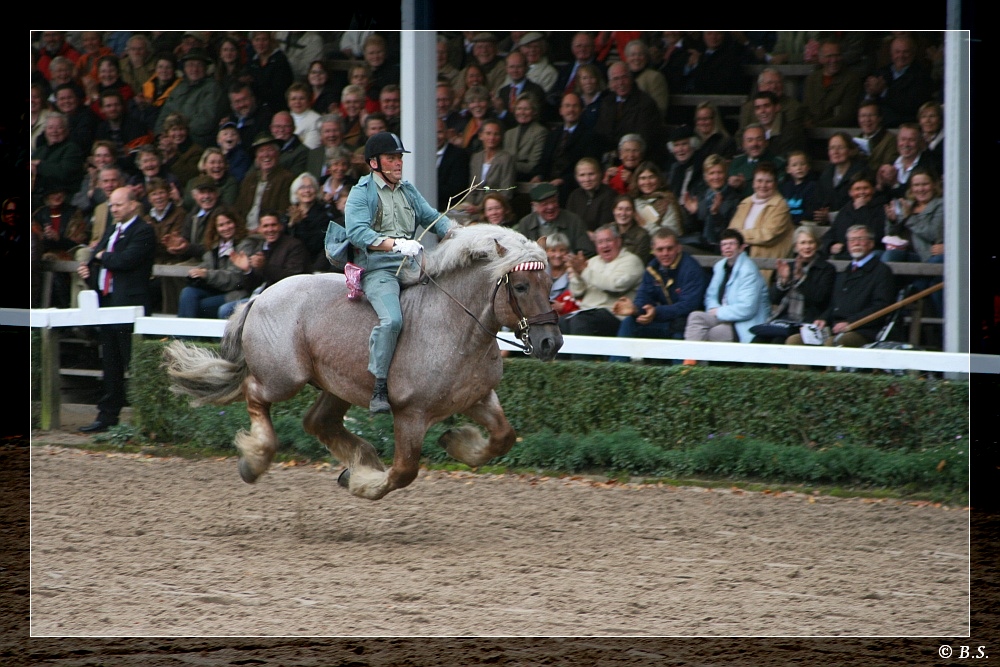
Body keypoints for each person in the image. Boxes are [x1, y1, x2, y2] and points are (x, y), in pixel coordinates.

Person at [345, 132, 457, 414]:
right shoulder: (361, 193)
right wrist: (394, 244)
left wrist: (462, 237)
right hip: (379, 269)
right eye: (391, 159)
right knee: (392, 320)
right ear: (374, 163)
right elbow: (357, 232)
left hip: (413, 265)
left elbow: (433, 219)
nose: (398, 164)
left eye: (399, 158)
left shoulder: (407, 190)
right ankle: (379, 386)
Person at [76, 187, 156, 433]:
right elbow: (96, 257)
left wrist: (101, 256)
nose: (114, 209)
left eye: (118, 205)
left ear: (133, 204)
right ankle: (106, 417)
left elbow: (126, 260)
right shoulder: (112, 230)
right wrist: (89, 269)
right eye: (111, 205)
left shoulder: (143, 230)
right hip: (107, 304)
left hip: (129, 306)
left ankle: (146, 419)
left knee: (132, 363)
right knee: (110, 363)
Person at [786, 225, 896, 349]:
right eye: (852, 240)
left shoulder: (881, 271)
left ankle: (827, 369)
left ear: (871, 243)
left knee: (833, 343)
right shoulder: (846, 272)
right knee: (794, 340)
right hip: (834, 328)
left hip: (863, 331)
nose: (856, 243)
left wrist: (850, 322)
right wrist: (823, 319)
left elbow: (881, 307)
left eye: (860, 239)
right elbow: (834, 304)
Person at [610, 227, 707, 359]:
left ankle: (680, 377)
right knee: (629, 322)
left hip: (687, 325)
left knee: (679, 333)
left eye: (669, 248)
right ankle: (615, 371)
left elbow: (688, 306)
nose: (665, 253)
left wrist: (656, 312)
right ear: (653, 250)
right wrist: (635, 309)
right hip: (666, 322)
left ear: (678, 248)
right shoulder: (652, 268)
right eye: (660, 249)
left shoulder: (691, 269)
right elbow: (644, 297)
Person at [559, 223, 645, 347]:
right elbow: (577, 293)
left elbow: (616, 285)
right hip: (587, 312)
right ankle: (561, 366)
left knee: (579, 322)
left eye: (608, 240)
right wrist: (577, 275)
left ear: (618, 241)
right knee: (560, 322)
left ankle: (583, 366)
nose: (604, 245)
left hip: (613, 315)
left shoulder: (632, 261)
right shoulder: (592, 262)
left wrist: (584, 270)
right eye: (600, 242)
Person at [218, 210, 311, 319]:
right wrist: (247, 270)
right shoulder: (260, 246)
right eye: (265, 226)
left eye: (273, 225)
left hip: (283, 299)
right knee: (226, 309)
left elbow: (293, 278)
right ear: (260, 229)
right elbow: (251, 286)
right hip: (259, 296)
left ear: (280, 227)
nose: (270, 229)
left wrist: (264, 266)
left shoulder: (294, 246)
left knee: (226, 310)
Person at [684, 228, 770, 346]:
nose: (727, 247)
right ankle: (690, 361)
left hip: (742, 323)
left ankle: (693, 362)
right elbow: (711, 296)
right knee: (695, 317)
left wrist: (719, 312)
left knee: (712, 333)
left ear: (741, 247)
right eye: (724, 244)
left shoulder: (748, 270)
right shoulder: (719, 266)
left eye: (731, 244)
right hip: (722, 316)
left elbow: (747, 309)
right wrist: (714, 309)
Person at [753, 225, 835, 344]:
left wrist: (802, 279)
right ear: (796, 247)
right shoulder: (789, 267)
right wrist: (784, 281)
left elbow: (820, 298)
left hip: (807, 320)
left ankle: (775, 364)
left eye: (810, 242)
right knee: (758, 341)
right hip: (783, 319)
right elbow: (773, 299)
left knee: (778, 341)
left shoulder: (826, 269)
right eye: (802, 243)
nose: (807, 246)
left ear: (816, 245)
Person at [177, 207, 259, 318]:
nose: (225, 228)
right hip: (215, 290)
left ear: (235, 223)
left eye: (229, 223)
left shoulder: (245, 244)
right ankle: (182, 334)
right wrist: (197, 272)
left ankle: (191, 334)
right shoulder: (214, 245)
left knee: (199, 305)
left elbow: (235, 278)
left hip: (235, 293)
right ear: (215, 228)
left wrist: (207, 274)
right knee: (188, 293)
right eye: (221, 225)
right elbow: (207, 265)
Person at [728, 161, 793, 282]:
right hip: (740, 262)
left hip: (766, 267)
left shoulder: (781, 205)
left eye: (768, 181)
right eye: (759, 181)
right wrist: (738, 236)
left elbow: (768, 235)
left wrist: (740, 235)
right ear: (753, 183)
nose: (763, 185)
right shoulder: (745, 203)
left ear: (775, 184)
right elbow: (731, 233)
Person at [593, 61, 667, 163]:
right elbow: (600, 133)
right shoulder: (606, 102)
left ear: (631, 78)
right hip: (609, 158)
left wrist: (619, 154)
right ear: (610, 83)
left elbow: (644, 138)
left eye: (624, 77)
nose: (620, 83)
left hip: (636, 159)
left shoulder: (645, 103)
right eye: (616, 79)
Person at [154, 48, 225, 149]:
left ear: (205, 68)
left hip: (196, 145)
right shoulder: (179, 87)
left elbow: (205, 123)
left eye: (199, 65)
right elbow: (164, 115)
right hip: (172, 141)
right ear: (185, 68)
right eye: (191, 65)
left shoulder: (213, 88)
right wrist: (161, 135)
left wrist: (178, 133)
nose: (194, 69)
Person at [536, 92, 599, 206]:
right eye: (567, 106)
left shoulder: (590, 136)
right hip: (548, 185)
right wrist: (538, 175)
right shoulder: (553, 134)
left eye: (575, 106)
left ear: (581, 110)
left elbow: (589, 167)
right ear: (561, 110)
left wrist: (563, 180)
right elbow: (543, 162)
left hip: (570, 187)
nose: (571, 110)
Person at [862, 34, 936, 128]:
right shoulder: (880, 72)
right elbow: (864, 103)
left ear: (913, 53)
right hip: (877, 126)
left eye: (906, 52)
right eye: (897, 52)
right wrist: (870, 94)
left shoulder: (922, 76)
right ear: (891, 54)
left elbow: (910, 105)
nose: (901, 56)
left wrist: (884, 91)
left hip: (902, 126)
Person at [517, 182, 595, 257]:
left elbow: (586, 251)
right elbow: (519, 253)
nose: (551, 207)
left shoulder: (574, 221)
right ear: (534, 206)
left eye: (554, 201)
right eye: (545, 204)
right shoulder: (525, 224)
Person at [235, 133, 295, 231]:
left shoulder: (286, 178)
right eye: (261, 151)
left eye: (270, 150)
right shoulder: (249, 179)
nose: (266, 155)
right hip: (245, 232)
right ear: (256, 157)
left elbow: (283, 212)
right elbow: (238, 208)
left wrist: (260, 229)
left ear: (277, 154)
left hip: (269, 232)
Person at [822, 172, 886, 260]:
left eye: (865, 188)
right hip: (843, 255)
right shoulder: (845, 210)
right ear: (850, 193)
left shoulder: (881, 209)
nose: (862, 192)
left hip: (870, 256)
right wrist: (831, 245)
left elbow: (876, 236)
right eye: (857, 189)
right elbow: (830, 234)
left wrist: (862, 209)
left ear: (873, 190)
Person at [683, 153, 741, 250]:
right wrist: (692, 214)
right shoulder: (701, 196)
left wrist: (715, 214)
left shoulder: (735, 199)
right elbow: (692, 230)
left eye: (719, 172)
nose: (716, 177)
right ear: (705, 177)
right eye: (711, 173)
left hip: (721, 248)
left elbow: (730, 234)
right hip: (701, 245)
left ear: (726, 174)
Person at [803, 39, 864, 128]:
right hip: (812, 133)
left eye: (837, 55)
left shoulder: (851, 79)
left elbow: (847, 116)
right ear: (821, 59)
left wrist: (816, 125)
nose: (834, 60)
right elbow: (805, 108)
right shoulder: (811, 79)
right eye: (829, 56)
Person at [460, 119, 516, 217]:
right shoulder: (476, 158)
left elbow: (506, 192)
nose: (492, 137)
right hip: (474, 208)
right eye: (488, 133)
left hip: (494, 210)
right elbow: (472, 189)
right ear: (481, 136)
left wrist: (480, 208)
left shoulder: (506, 159)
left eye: (496, 134)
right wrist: (468, 205)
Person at [813, 132, 867, 223]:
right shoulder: (826, 174)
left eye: (840, 148)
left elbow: (859, 205)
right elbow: (819, 200)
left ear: (850, 151)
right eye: (832, 148)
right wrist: (822, 214)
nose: (835, 152)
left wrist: (831, 216)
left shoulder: (861, 172)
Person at [284, 172, 330, 267]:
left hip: (311, 261)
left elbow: (316, 244)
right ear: (295, 192)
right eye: (302, 188)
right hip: (289, 260)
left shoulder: (323, 214)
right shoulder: (289, 213)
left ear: (316, 191)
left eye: (310, 187)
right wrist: (291, 224)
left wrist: (300, 224)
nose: (307, 191)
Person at [727, 124, 785, 199]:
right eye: (749, 140)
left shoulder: (778, 163)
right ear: (743, 145)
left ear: (766, 142)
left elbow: (776, 191)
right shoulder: (736, 162)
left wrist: (744, 187)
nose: (754, 144)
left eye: (759, 139)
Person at [629, 161, 683, 237]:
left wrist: (646, 225)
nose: (647, 182)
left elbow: (671, 234)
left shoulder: (667, 202)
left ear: (658, 179)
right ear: (637, 181)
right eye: (643, 178)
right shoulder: (632, 202)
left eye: (651, 177)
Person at [502, 95, 548, 181]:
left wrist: (506, 164)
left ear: (534, 111)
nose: (522, 112)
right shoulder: (509, 133)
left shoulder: (540, 132)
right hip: (507, 176)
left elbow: (533, 165)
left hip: (526, 177)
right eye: (519, 109)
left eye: (526, 109)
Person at [748, 90, 806, 160]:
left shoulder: (791, 133)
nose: (762, 111)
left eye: (766, 106)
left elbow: (784, 162)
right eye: (758, 108)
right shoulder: (752, 131)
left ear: (777, 107)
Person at [565, 157, 616, 234]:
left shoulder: (609, 195)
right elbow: (568, 223)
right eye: (582, 175)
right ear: (576, 177)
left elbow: (605, 227)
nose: (587, 179)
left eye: (591, 174)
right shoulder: (574, 195)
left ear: (600, 174)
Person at [247, 31, 294, 114]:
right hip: (258, 109)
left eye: (264, 39)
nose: (260, 43)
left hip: (277, 109)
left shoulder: (280, 60)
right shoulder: (252, 62)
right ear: (252, 42)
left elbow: (278, 90)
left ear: (270, 41)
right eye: (257, 40)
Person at [623, 39, 669, 117]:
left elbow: (660, 108)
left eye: (640, 54)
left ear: (646, 58)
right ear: (627, 59)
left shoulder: (655, 77)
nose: (636, 58)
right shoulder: (622, 77)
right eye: (632, 55)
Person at [435, 118, 470, 212]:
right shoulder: (419, 155)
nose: (436, 136)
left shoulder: (459, 155)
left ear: (447, 133)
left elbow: (457, 188)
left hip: (448, 210)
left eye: (439, 132)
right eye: (432, 132)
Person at [224, 82, 273, 150]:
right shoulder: (228, 122)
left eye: (244, 99)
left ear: (253, 98)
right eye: (237, 102)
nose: (242, 105)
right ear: (231, 105)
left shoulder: (265, 117)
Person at [855, 101, 898, 173]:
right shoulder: (855, 140)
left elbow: (887, 167)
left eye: (871, 115)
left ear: (879, 118)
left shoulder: (891, 140)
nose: (867, 120)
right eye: (863, 116)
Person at [608, 194, 651, 264]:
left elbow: (637, 263)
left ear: (634, 213)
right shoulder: (607, 230)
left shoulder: (643, 236)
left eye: (628, 209)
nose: (623, 213)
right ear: (614, 211)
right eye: (620, 209)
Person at [780, 150, 818, 226]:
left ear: (808, 167)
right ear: (788, 170)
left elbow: (810, 212)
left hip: (804, 224)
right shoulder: (785, 187)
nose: (799, 168)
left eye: (802, 164)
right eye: (794, 165)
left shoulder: (813, 186)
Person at [285, 82, 322, 150]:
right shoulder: (284, 119)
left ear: (308, 101)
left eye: (302, 98)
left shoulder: (316, 120)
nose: (297, 102)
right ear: (288, 102)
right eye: (293, 99)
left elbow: (311, 147)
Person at [917, 101, 944, 175]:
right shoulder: (915, 138)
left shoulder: (946, 142)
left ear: (940, 120)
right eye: (924, 117)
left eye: (932, 116)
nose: (927, 121)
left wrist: (926, 149)